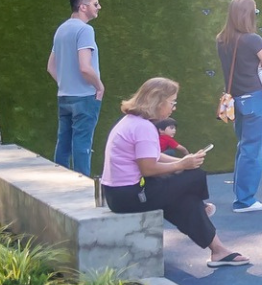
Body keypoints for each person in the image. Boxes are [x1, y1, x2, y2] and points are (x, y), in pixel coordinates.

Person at [99, 77, 249, 268]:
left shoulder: (133, 122)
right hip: (129, 196)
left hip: (120, 195)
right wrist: (182, 165)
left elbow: (154, 156)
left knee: (184, 199)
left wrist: (183, 161)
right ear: (158, 101)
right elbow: (148, 168)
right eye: (172, 102)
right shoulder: (143, 127)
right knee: (194, 176)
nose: (174, 107)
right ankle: (203, 209)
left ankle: (218, 251)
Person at [216, 0, 262, 213]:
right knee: (254, 150)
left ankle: (242, 196)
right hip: (256, 98)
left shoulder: (222, 39)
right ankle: (245, 200)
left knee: (244, 147)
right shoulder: (253, 40)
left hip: (235, 99)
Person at [48, 0, 106, 175]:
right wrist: (99, 86)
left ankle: (60, 181)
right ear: (83, 7)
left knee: (63, 143)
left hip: (64, 96)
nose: (99, 7)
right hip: (84, 97)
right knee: (82, 144)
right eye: (95, 4)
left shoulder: (61, 29)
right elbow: (85, 67)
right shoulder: (85, 30)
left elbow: (51, 66)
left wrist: (64, 83)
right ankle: (83, 186)